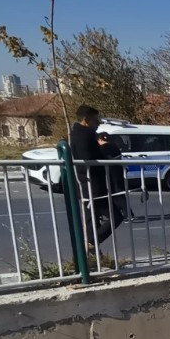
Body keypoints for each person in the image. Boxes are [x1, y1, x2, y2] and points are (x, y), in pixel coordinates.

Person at [68, 105, 113, 247]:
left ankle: (91, 252)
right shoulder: (84, 135)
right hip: (92, 186)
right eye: (95, 120)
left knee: (91, 221)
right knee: (115, 216)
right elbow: (89, 157)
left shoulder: (75, 133)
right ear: (86, 120)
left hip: (85, 186)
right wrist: (104, 147)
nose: (98, 123)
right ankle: (91, 243)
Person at [93, 131, 130, 241]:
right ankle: (127, 212)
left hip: (110, 173)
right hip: (117, 172)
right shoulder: (114, 147)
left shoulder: (103, 149)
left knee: (116, 193)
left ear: (100, 139)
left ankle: (128, 213)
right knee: (118, 192)